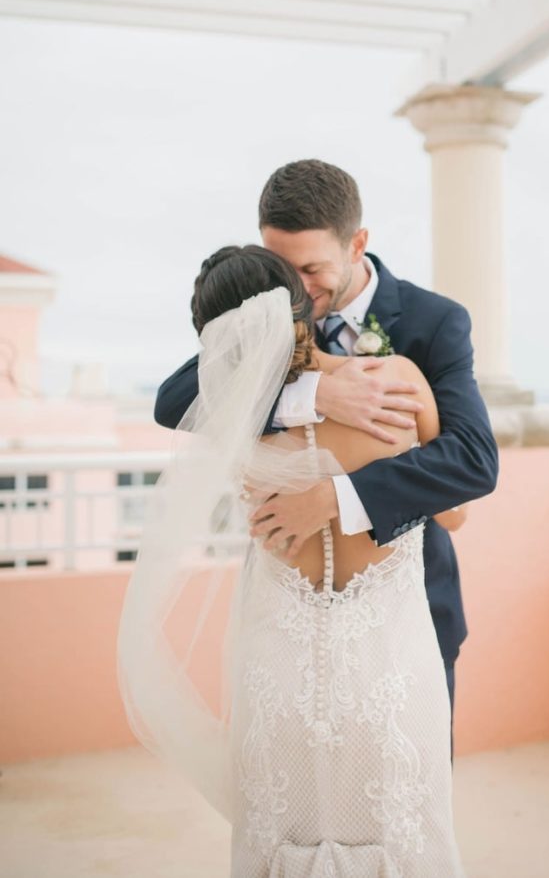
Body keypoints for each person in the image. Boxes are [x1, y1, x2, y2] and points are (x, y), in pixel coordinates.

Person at [121, 246, 469, 875]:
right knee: (402, 832)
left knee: (281, 833)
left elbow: (186, 403)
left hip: (276, 670)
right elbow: (455, 513)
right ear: (302, 306)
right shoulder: (399, 381)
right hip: (389, 663)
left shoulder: (233, 419)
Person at [154, 159, 498, 732]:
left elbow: (472, 462)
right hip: (289, 614)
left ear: (357, 242)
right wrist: (315, 396)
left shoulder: (433, 322)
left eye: (310, 268)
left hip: (406, 607)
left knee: (404, 787)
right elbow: (175, 400)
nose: (294, 287)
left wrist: (336, 497)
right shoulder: (269, 313)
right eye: (281, 266)